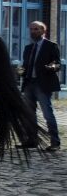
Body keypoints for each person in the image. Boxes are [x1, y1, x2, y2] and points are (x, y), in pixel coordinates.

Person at [21, 21, 61, 151]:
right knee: (29, 114)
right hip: (29, 84)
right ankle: (32, 140)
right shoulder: (28, 48)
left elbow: (57, 63)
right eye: (31, 29)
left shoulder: (51, 46)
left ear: (43, 31)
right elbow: (25, 66)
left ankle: (55, 142)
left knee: (47, 114)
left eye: (36, 29)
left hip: (42, 84)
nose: (33, 32)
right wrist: (20, 71)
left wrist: (52, 67)